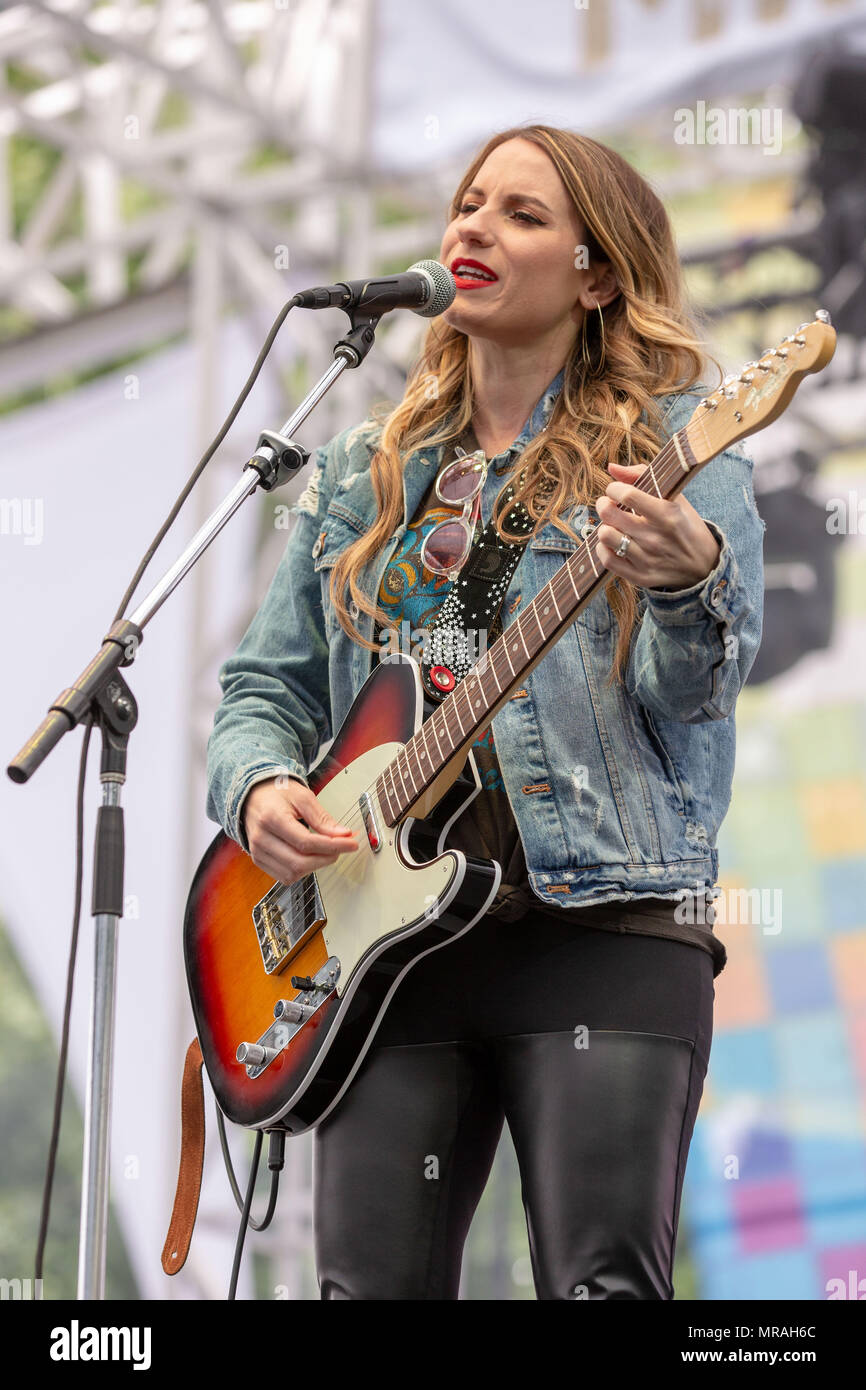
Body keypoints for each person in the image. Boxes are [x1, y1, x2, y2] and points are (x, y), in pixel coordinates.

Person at [205, 124, 765, 1300]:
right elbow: (265, 689)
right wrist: (259, 786)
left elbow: (698, 695)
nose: (472, 228)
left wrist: (682, 576)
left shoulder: (668, 449)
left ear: (596, 271)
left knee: (600, 1285)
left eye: (520, 214)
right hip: (384, 948)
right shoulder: (365, 471)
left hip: (602, 924)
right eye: (467, 205)